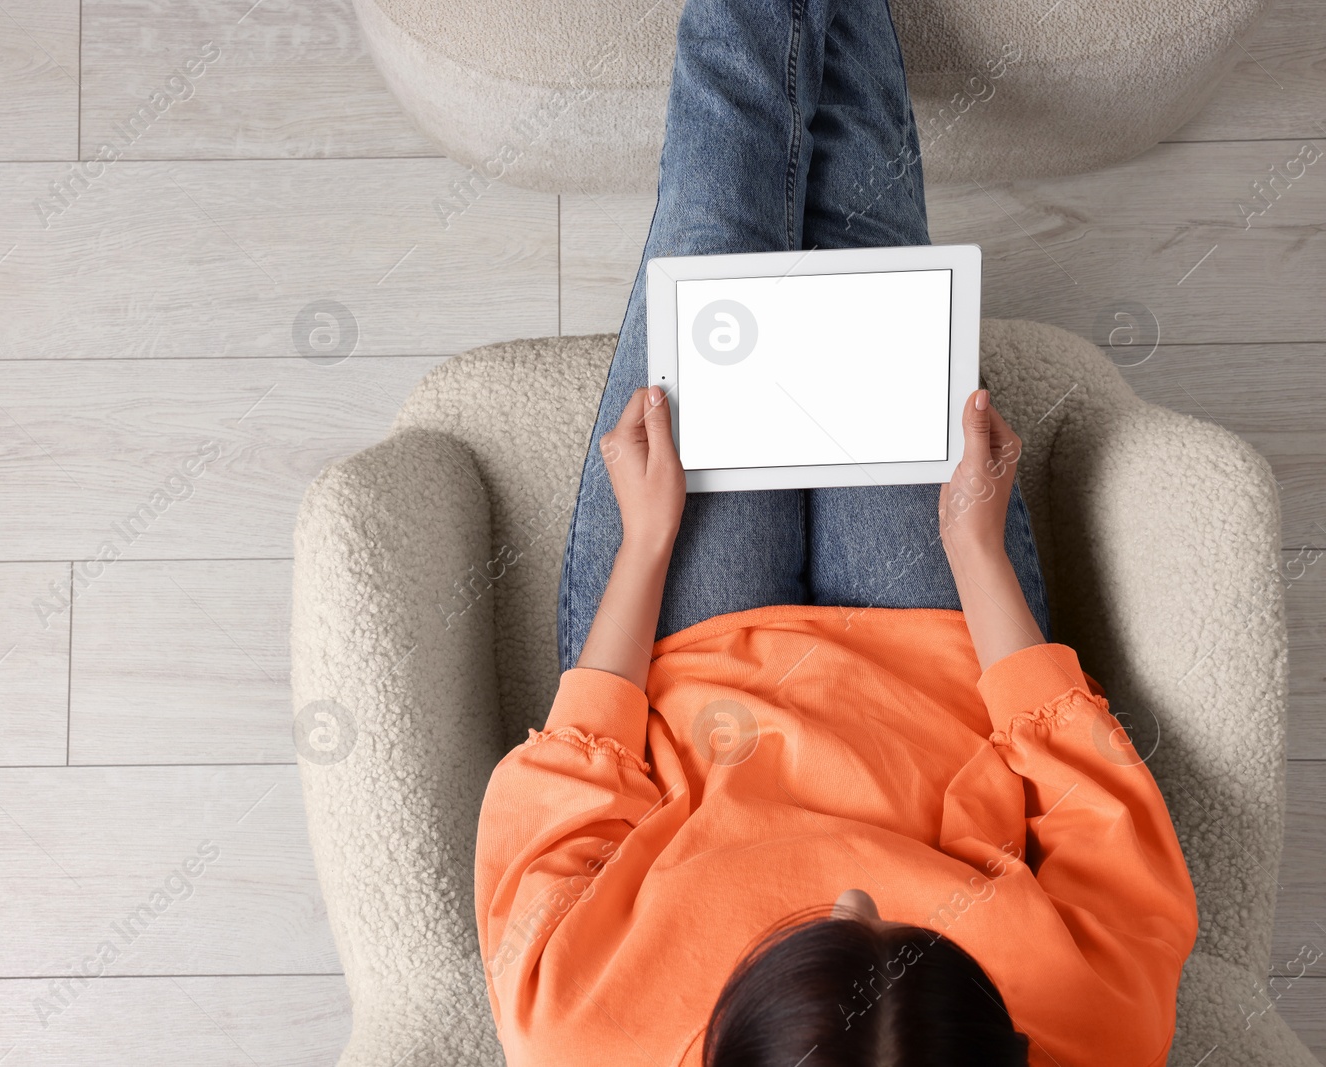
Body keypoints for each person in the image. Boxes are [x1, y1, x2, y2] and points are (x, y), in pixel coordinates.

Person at [473, 0, 1200, 1061]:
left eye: (811, 929)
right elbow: (1097, 806)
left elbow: (566, 795)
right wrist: (977, 551)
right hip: (942, 645)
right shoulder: (1096, 1032)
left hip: (682, 650)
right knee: (867, 213)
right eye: (895, 923)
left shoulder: (580, 1034)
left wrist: (643, 542)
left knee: (720, 206)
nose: (856, 883)